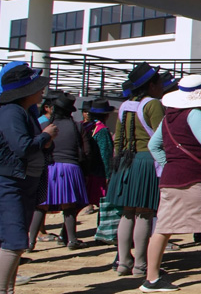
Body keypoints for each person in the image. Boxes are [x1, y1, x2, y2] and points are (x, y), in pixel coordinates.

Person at [140, 74, 201, 293]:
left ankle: (151, 279)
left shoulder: (168, 118)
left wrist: (170, 163)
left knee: (163, 227)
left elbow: (154, 146)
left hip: (170, 178)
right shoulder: (194, 114)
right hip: (193, 178)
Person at [0, 62, 55, 294]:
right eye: (37, 87)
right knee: (13, 241)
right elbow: (22, 147)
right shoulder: (12, 112)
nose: (41, 91)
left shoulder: (23, 111)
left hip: (22, 183)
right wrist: (45, 136)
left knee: (16, 241)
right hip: (11, 183)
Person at [106, 63, 166, 277]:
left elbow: (119, 139)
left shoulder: (125, 106)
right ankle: (141, 264)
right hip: (146, 161)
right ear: (151, 85)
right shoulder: (153, 105)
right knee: (144, 213)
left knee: (127, 213)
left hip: (125, 161)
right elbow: (162, 137)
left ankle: (123, 262)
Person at [32, 94, 88, 250]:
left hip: (49, 168)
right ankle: (71, 240)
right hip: (71, 168)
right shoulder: (77, 126)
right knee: (69, 206)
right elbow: (86, 151)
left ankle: (30, 242)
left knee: (41, 206)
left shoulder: (46, 126)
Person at [82, 98, 116, 243]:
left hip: (88, 169)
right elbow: (105, 152)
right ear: (107, 115)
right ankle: (101, 231)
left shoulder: (87, 127)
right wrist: (108, 173)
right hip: (99, 171)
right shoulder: (102, 130)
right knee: (103, 202)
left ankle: (66, 232)